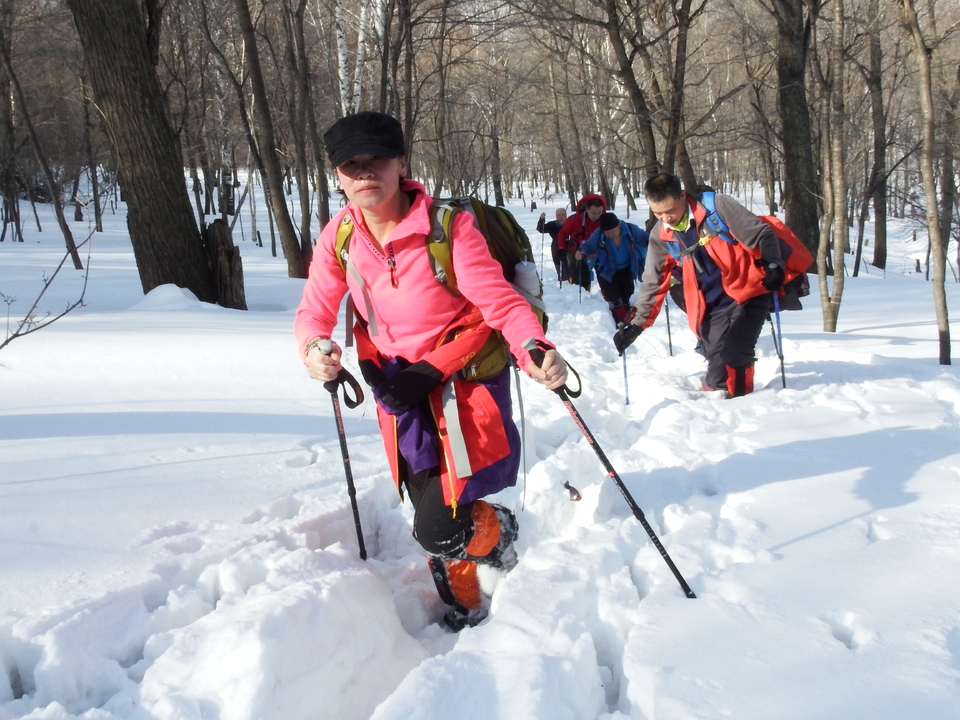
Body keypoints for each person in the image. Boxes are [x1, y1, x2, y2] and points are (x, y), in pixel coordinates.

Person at [294, 111, 568, 630]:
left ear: (402, 163)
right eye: (351, 164)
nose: (365, 172)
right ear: (336, 175)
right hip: (396, 388)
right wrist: (314, 347)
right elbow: (315, 308)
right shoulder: (341, 235)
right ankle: (462, 603)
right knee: (428, 512)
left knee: (439, 524)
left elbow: (500, 303)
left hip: (461, 381)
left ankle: (502, 533)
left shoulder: (448, 227)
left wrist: (534, 347)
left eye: (377, 159)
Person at [614, 173, 785, 397]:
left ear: (682, 196)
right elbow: (653, 282)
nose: (666, 218)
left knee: (735, 354)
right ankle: (722, 402)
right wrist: (636, 325)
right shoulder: (660, 235)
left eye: (670, 210)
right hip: (712, 305)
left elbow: (761, 232)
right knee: (717, 373)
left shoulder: (718, 206)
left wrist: (773, 263)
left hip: (749, 290)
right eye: (658, 213)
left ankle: (744, 404)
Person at [575, 211, 649, 325]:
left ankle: (625, 315)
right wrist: (581, 252)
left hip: (627, 268)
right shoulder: (599, 233)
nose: (611, 234)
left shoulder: (630, 229)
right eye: (608, 232)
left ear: (619, 225)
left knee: (627, 292)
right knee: (613, 296)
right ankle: (621, 321)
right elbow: (589, 245)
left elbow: (645, 239)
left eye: (613, 231)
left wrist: (656, 245)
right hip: (606, 270)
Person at [557, 194, 606, 289]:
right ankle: (583, 293)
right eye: (593, 213)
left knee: (604, 276)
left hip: (599, 252)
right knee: (578, 277)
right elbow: (563, 232)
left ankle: (606, 294)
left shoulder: (605, 220)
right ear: (587, 209)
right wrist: (561, 247)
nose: (596, 216)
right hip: (577, 251)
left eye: (599, 213)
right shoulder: (577, 219)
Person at [537, 207, 568, 284]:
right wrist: (541, 219)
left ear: (566, 216)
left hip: (568, 247)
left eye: (563, 215)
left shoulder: (570, 224)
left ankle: (568, 280)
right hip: (556, 247)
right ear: (556, 216)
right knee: (558, 265)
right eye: (559, 215)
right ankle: (561, 279)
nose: (561, 217)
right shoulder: (552, 224)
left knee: (568, 265)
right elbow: (541, 229)